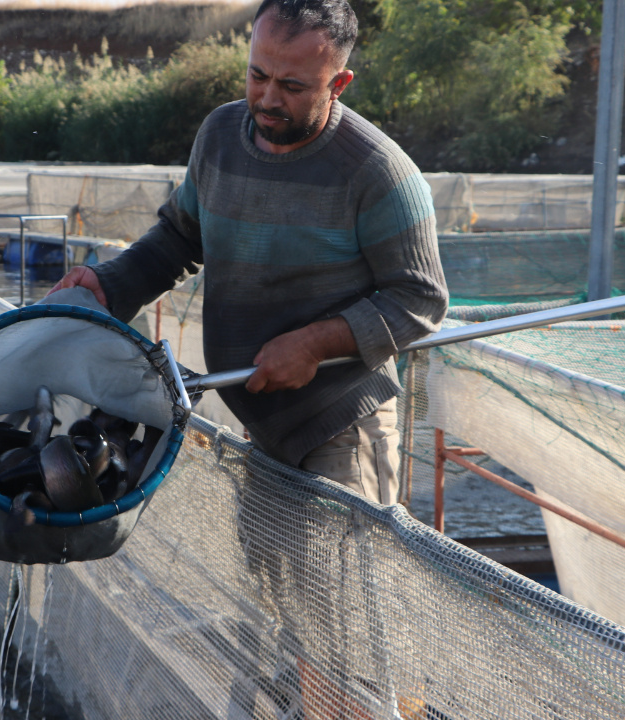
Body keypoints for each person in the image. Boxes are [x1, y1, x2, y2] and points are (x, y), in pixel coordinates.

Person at [50, 0, 447, 506]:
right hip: (258, 424)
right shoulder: (219, 135)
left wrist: (315, 344)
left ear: (339, 84)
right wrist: (110, 283)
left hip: (341, 429)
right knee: (271, 583)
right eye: (258, 75)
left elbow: (421, 299)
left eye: (293, 86)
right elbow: (179, 239)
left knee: (331, 584)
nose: (268, 98)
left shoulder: (379, 172)